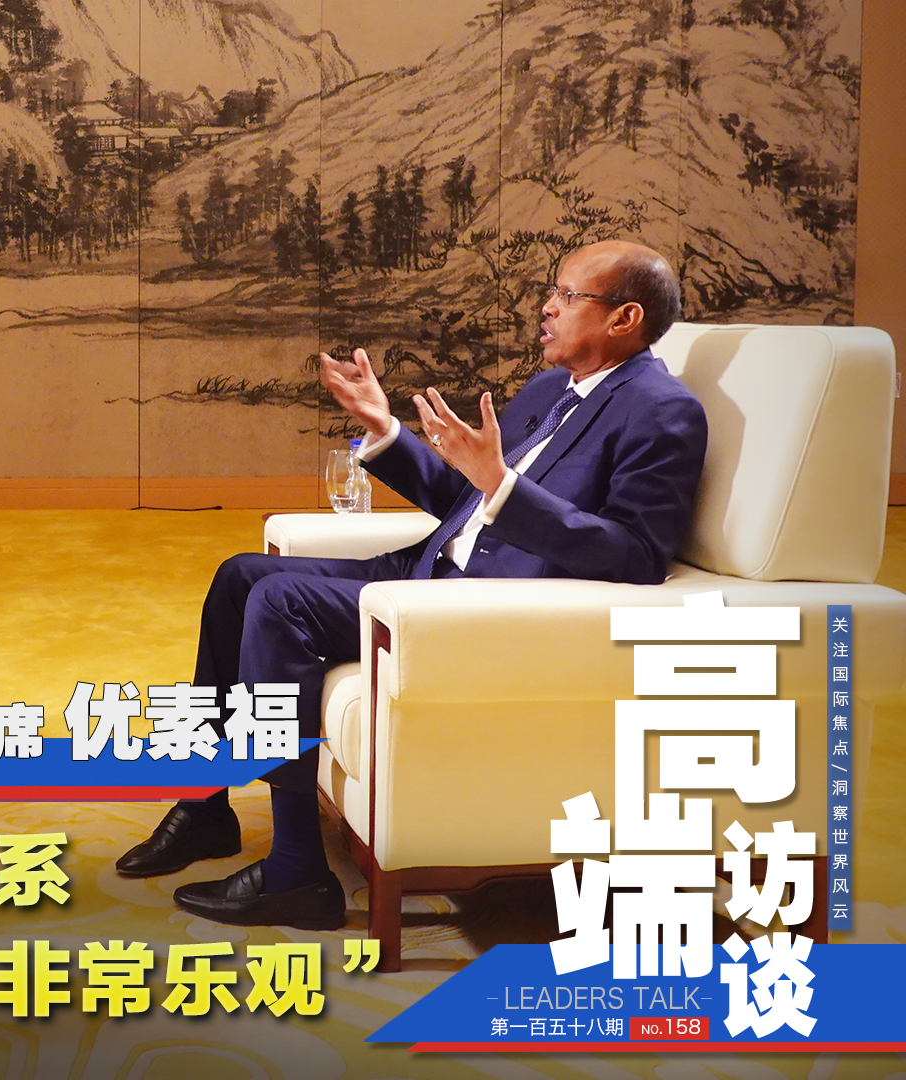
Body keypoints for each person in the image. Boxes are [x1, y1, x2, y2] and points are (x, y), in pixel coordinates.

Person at [115, 240, 708, 928]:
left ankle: (297, 871)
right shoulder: (552, 390)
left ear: (624, 318)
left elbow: (636, 554)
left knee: (278, 602)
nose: (547, 307)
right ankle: (203, 805)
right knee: (240, 577)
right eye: (553, 290)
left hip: (481, 608)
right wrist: (385, 429)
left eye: (569, 296)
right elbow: (468, 500)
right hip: (424, 573)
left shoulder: (662, 410)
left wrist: (501, 485)